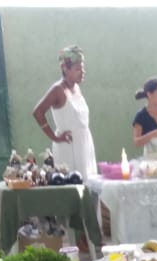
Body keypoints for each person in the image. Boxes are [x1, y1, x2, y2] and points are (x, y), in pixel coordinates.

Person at [32, 45, 97, 180]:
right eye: (77, 69)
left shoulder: (77, 88)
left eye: (83, 68)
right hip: (67, 146)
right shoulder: (57, 89)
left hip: (85, 144)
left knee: (88, 184)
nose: (82, 72)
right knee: (72, 183)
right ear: (65, 69)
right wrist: (54, 137)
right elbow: (38, 112)